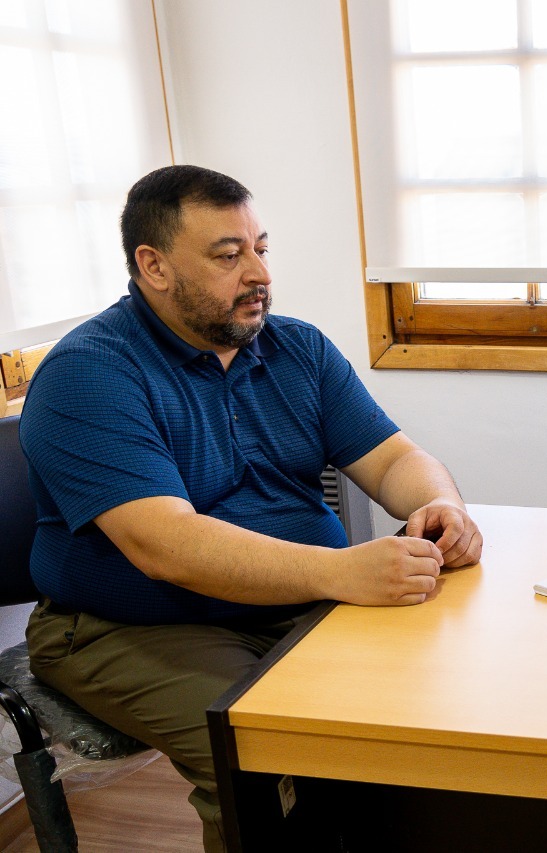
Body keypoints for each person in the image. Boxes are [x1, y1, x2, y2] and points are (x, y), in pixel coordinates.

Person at [19, 165, 483, 851]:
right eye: (228, 255)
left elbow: (392, 459)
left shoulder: (297, 348)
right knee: (267, 750)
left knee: (427, 711)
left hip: (291, 601)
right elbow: (165, 545)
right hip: (125, 623)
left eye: (261, 247)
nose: (259, 272)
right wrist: (340, 572)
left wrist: (442, 503)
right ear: (154, 266)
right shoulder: (89, 372)